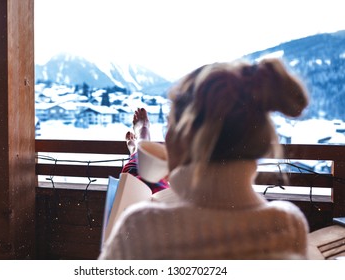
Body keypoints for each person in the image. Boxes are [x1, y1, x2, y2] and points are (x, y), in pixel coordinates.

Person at [99, 58, 310, 259]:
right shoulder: (288, 226)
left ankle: (138, 148)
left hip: (164, 201)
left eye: (169, 124)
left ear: (181, 136)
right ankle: (139, 147)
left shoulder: (141, 227)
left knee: (140, 177)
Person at [121, 107, 169, 194]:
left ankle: (139, 148)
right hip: (165, 198)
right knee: (148, 176)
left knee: (138, 175)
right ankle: (139, 147)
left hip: (134, 196)